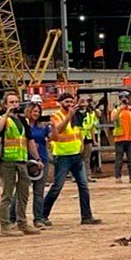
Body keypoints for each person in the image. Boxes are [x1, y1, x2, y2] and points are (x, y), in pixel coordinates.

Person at [42, 93, 101, 225]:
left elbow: (78, 132)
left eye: (71, 101)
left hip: (76, 155)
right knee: (57, 186)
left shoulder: (75, 116)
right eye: (67, 102)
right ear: (60, 103)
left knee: (84, 186)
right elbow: (58, 130)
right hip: (63, 156)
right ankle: (42, 214)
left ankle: (86, 216)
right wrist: (68, 116)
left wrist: (80, 145)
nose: (69, 104)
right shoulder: (57, 116)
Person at [0, 92, 43, 236]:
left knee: (23, 193)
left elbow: (29, 140)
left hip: (21, 161)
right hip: (6, 162)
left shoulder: (22, 121)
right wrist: (6, 115)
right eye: (11, 102)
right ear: (5, 104)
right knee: (7, 194)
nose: (14, 105)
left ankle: (22, 223)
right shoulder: (0, 118)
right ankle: (5, 226)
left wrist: (37, 159)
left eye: (16, 102)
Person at [9, 102, 50, 227]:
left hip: (41, 159)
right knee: (21, 191)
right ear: (29, 111)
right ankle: (12, 217)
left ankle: (38, 218)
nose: (37, 114)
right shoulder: (23, 125)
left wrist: (55, 127)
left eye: (38, 112)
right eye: (34, 111)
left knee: (39, 191)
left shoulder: (43, 126)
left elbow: (52, 138)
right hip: (26, 160)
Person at [110, 92, 131, 184]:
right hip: (119, 138)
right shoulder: (116, 110)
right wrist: (120, 109)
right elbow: (113, 119)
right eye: (123, 98)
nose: (124, 100)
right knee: (119, 159)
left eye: (126, 98)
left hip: (130, 138)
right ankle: (118, 177)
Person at [79, 96, 99, 181]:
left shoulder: (91, 114)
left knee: (87, 158)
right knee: (78, 158)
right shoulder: (76, 113)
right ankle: (77, 176)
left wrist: (94, 140)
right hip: (78, 138)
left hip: (88, 138)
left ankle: (87, 176)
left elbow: (92, 127)